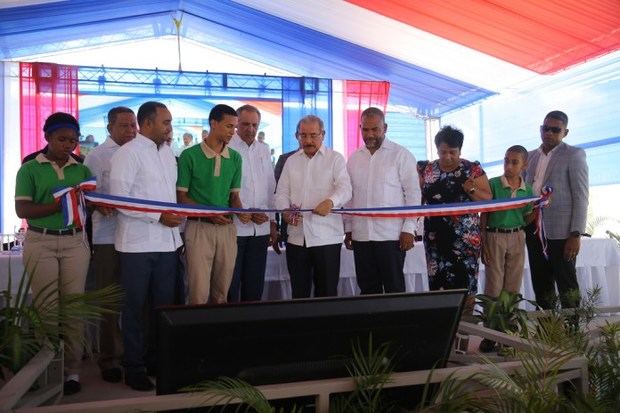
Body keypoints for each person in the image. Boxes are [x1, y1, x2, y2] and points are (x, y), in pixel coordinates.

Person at [15, 112, 92, 395]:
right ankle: (47, 367)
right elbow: (23, 210)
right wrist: (61, 205)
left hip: (74, 243)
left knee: (74, 308)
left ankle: (72, 371)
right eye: (62, 139)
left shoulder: (81, 169)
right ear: (47, 137)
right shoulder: (30, 168)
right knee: (47, 309)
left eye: (73, 140)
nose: (68, 145)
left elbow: (90, 202)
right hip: (41, 241)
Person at [110, 101, 183, 391]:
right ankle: (134, 367)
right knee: (134, 309)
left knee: (161, 308)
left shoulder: (167, 154)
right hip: (136, 247)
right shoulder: (127, 154)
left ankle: (155, 360)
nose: (170, 128)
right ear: (148, 123)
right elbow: (120, 200)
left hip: (167, 245)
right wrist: (158, 217)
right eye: (166, 122)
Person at [83, 106, 137, 382]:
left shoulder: (142, 150)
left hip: (137, 237)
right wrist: (98, 203)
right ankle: (109, 358)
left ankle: (134, 354)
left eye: (133, 126)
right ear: (110, 128)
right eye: (124, 126)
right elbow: (85, 195)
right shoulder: (96, 156)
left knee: (135, 299)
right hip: (107, 237)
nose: (130, 131)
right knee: (109, 300)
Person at [344, 107, 421, 294]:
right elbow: (349, 196)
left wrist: (409, 229)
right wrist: (348, 229)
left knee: (395, 288)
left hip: (392, 236)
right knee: (368, 288)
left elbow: (413, 194)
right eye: (365, 130)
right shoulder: (354, 159)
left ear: (385, 128)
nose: (369, 135)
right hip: (361, 235)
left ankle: (396, 324)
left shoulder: (401, 155)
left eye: (374, 129)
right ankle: (372, 324)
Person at [177, 104, 248, 305]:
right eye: (228, 126)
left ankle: (217, 336)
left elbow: (234, 198)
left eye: (234, 127)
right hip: (199, 228)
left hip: (227, 229)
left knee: (222, 293)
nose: (233, 132)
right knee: (198, 293)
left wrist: (243, 213)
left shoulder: (235, 158)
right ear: (213, 123)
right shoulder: (189, 155)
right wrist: (210, 214)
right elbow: (181, 198)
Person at [275, 115, 352, 298]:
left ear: (323, 134)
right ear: (297, 136)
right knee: (299, 294)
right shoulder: (291, 161)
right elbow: (281, 192)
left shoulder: (335, 159)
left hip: (326, 238)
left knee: (326, 294)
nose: (308, 140)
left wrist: (331, 202)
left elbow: (345, 188)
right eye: (303, 135)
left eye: (313, 135)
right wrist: (284, 210)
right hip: (296, 237)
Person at [417, 125, 491, 301]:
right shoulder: (427, 170)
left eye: (452, 152)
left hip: (465, 241)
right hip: (435, 240)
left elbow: (488, 201)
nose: (447, 156)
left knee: (465, 287)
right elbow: (416, 199)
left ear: (460, 150)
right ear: (437, 150)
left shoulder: (472, 169)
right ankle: (443, 326)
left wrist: (471, 188)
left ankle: (467, 327)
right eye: (443, 152)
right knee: (438, 285)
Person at [524, 111, 588, 309]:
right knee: (541, 283)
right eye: (545, 128)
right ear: (540, 129)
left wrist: (575, 233)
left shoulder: (574, 154)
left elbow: (581, 196)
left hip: (561, 233)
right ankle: (546, 333)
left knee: (567, 283)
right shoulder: (529, 156)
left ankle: (571, 333)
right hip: (533, 229)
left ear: (565, 132)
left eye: (555, 130)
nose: (549, 133)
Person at [479, 145, 533, 352]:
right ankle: (490, 333)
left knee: (512, 284)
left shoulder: (527, 190)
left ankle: (508, 331)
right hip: (494, 235)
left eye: (514, 162)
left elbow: (527, 217)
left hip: (517, 236)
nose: (508, 166)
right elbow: (484, 212)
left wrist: (538, 207)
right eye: (506, 161)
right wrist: (483, 239)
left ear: (524, 165)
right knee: (493, 284)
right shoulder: (493, 184)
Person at [227, 105, 279, 302]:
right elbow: (225, 189)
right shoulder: (227, 148)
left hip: (261, 228)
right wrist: (238, 211)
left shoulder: (264, 150)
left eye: (254, 125)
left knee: (255, 284)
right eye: (245, 124)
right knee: (231, 284)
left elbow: (270, 187)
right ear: (236, 124)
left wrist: (272, 221)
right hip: (234, 229)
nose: (250, 129)